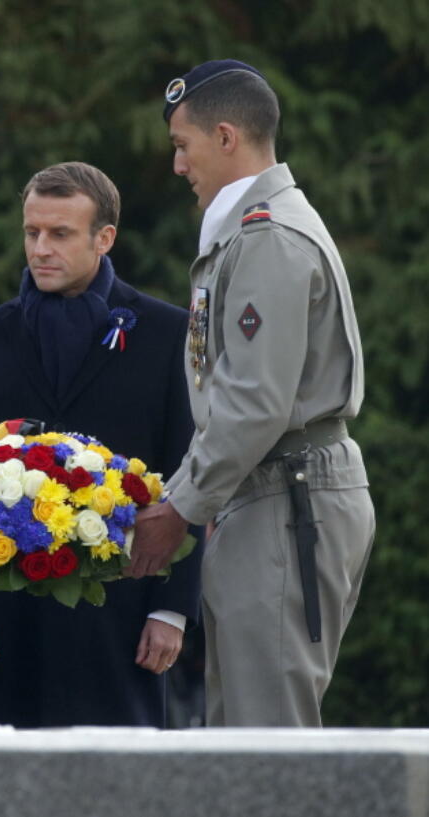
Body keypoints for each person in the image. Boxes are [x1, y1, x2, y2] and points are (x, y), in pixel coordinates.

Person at [128, 60, 373, 727]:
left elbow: (254, 403)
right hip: (266, 494)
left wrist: (180, 503)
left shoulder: (266, 237)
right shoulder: (247, 231)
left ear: (227, 137)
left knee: (269, 744)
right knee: (239, 741)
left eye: (184, 145)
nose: (178, 165)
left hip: (287, 498)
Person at [0, 161, 203, 727]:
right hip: (4, 611)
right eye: (32, 232)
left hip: (124, 611)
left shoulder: (165, 333)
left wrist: (172, 608)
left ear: (103, 239)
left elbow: (191, 474)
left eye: (59, 234)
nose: (40, 248)